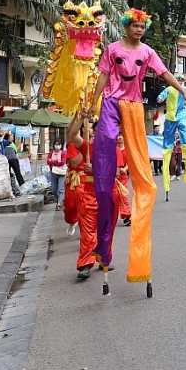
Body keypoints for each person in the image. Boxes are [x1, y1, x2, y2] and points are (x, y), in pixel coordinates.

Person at [87, 8, 186, 295]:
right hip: (110, 103)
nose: (139, 30)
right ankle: (103, 248)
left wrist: (183, 91)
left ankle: (139, 261)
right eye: (135, 25)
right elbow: (103, 77)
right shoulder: (112, 49)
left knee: (144, 180)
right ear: (126, 26)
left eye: (142, 26)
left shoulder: (147, 52)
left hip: (134, 107)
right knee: (104, 165)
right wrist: (92, 103)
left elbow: (165, 72)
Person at [66, 111, 100, 280]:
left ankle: (103, 257)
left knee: (104, 231)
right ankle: (85, 264)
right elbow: (72, 134)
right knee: (87, 231)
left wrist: (96, 170)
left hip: (107, 195)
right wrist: (81, 117)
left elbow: (118, 172)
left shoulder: (114, 149)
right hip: (89, 194)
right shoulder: (88, 147)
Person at [156, 73, 186, 202]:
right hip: (171, 117)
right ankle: (168, 177)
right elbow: (161, 96)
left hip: (181, 115)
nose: (180, 83)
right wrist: (160, 99)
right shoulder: (169, 89)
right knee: (167, 144)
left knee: (184, 130)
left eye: (181, 81)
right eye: (178, 81)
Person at [115, 134, 132, 225]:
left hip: (123, 177)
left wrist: (124, 169)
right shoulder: (111, 148)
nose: (120, 137)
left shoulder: (127, 149)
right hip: (112, 176)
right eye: (117, 135)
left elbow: (130, 161)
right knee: (114, 197)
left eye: (121, 135)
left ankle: (126, 215)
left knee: (123, 195)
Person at [47, 137, 68, 211]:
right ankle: (59, 199)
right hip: (53, 172)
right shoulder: (50, 153)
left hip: (62, 172)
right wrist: (56, 162)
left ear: (61, 145)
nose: (57, 146)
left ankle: (59, 203)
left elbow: (63, 162)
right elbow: (48, 162)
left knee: (60, 189)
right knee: (54, 189)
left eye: (58, 144)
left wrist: (53, 162)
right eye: (56, 144)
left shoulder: (63, 153)